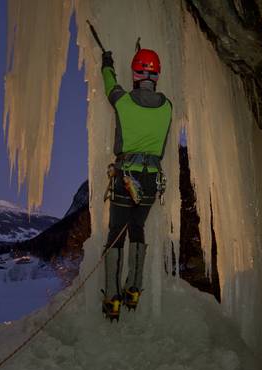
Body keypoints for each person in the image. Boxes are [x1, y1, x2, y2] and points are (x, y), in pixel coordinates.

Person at [100, 48, 172, 321]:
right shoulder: (167, 107)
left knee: (117, 231)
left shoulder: (123, 101)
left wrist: (108, 62)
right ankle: (134, 291)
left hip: (125, 177)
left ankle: (112, 299)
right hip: (151, 179)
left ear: (135, 73)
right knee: (137, 228)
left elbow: (109, 83)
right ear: (156, 75)